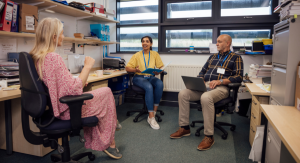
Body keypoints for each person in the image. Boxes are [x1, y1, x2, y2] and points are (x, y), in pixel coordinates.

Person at [29, 17, 122, 159]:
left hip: (53, 109)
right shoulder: (53, 57)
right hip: (66, 111)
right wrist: (87, 67)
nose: (63, 36)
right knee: (107, 92)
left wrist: (77, 80)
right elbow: (74, 90)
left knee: (101, 97)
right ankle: (111, 138)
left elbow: (56, 84)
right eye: (62, 33)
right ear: (54, 37)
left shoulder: (37, 57)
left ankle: (110, 129)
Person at [170, 34, 243, 151]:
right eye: (216, 42)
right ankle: (184, 128)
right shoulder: (212, 57)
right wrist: (201, 80)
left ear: (228, 43)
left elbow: (239, 77)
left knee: (205, 97)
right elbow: (202, 72)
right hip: (206, 86)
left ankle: (209, 136)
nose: (216, 44)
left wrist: (221, 81)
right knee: (183, 93)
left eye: (219, 42)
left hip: (222, 88)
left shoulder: (236, 58)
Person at [126, 36, 164, 130]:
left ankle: (153, 113)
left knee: (159, 83)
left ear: (151, 44)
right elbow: (127, 68)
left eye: (147, 41)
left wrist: (158, 71)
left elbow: (161, 66)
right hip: (139, 77)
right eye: (143, 41)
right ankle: (151, 117)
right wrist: (135, 69)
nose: (145, 43)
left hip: (150, 76)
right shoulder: (137, 55)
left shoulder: (155, 54)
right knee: (149, 87)